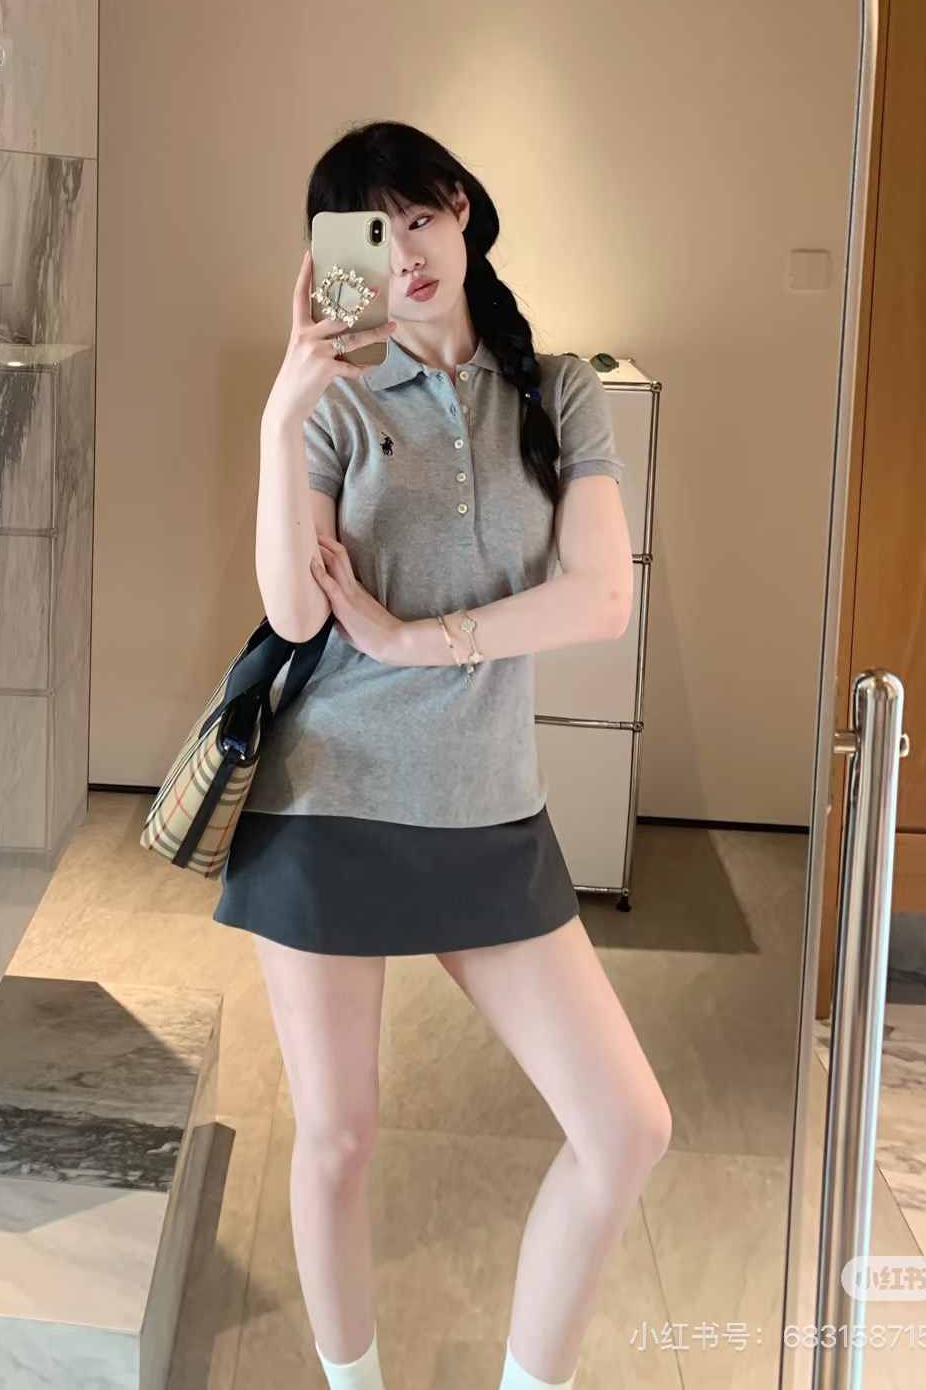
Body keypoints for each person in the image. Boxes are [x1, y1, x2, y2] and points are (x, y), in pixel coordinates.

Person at [213, 121, 673, 1390]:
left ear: (461, 210)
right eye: (372, 232)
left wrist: (419, 641)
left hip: (486, 803)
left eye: (418, 216)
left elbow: (602, 599)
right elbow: (294, 613)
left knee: (626, 1127)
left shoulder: (559, 390)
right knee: (339, 1141)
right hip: (330, 798)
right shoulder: (336, 404)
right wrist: (282, 415)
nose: (405, 252)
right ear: (337, 256)